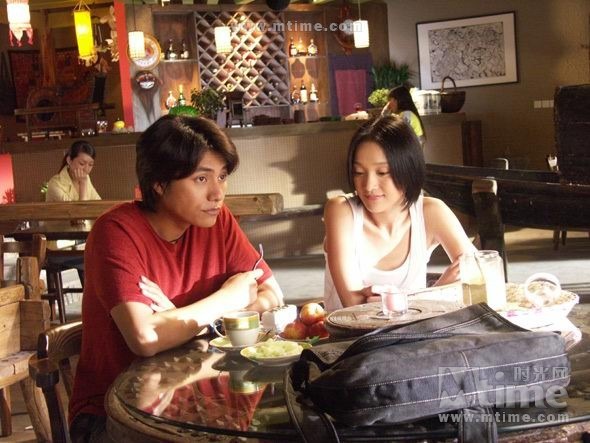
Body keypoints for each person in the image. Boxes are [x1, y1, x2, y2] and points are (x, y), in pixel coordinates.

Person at [69, 115, 284, 442]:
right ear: (159, 182)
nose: (217, 193)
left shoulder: (218, 222)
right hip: (116, 415)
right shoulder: (116, 232)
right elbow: (145, 337)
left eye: (222, 176)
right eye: (201, 179)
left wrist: (186, 320)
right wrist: (229, 298)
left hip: (201, 398)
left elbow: (272, 294)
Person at [323, 115, 474, 312]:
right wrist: (437, 291)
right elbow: (355, 308)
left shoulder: (431, 212)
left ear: (408, 170)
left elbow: (480, 273)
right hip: (349, 332)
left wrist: (397, 301)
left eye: (382, 172)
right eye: (359, 172)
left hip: (416, 331)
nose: (368, 185)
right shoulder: (341, 211)